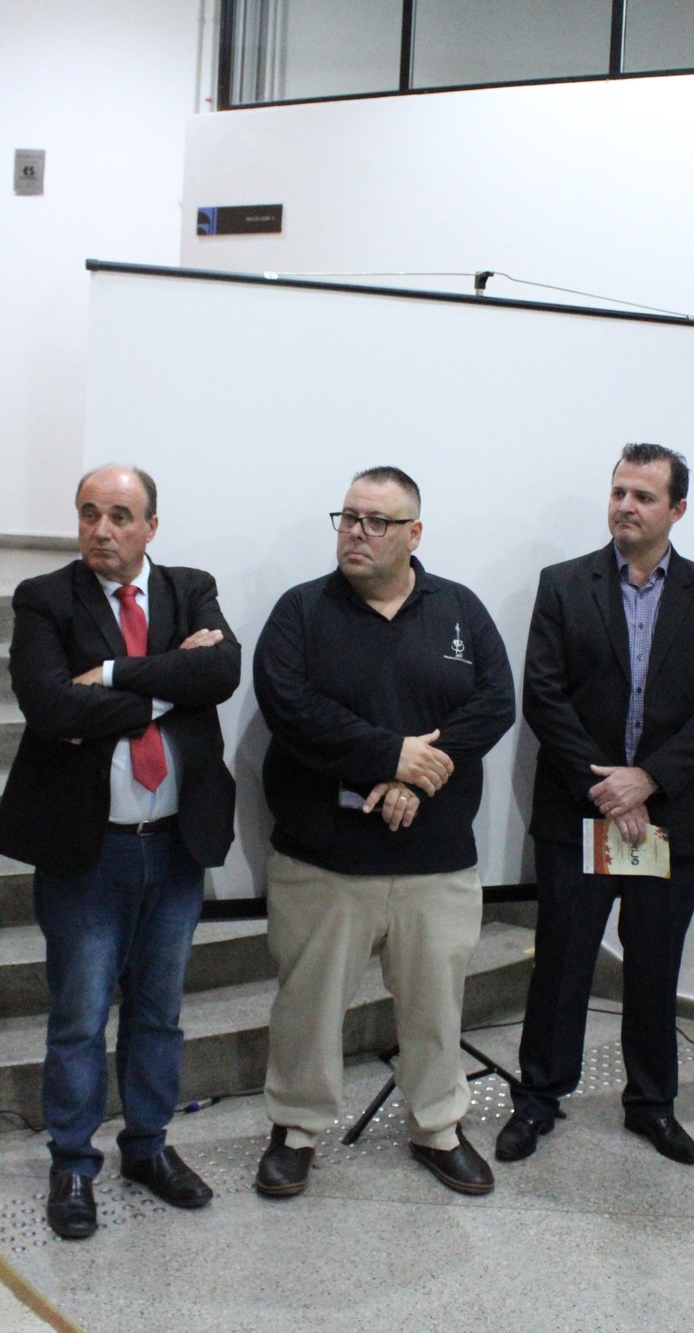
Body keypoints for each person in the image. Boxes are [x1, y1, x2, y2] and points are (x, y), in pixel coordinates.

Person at [0, 465, 241, 1241]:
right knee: (79, 1015)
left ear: (151, 526)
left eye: (121, 515)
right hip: (88, 850)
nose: (102, 529)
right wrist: (170, 686)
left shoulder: (190, 588)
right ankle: (73, 1161)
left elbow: (221, 671)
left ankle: (148, 1146)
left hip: (174, 845)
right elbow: (48, 704)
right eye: (90, 512)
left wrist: (107, 679)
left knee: (160, 1012)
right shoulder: (45, 598)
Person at [250, 466, 516, 1198]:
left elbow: (495, 703)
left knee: (435, 1006)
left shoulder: (458, 609)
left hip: (435, 856)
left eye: (376, 521)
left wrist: (412, 776)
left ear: (414, 534)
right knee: (307, 1007)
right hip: (325, 858)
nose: (356, 533)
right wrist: (388, 755)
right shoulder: (301, 610)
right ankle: (296, 1130)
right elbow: (290, 706)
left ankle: (438, 1128)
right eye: (348, 518)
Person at [499, 443, 694, 1165]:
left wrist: (648, 780)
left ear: (678, 509)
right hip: (579, 810)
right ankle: (538, 1098)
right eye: (618, 492)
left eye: (643, 496)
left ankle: (652, 1105)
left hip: (668, 816)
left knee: (655, 966)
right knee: (562, 962)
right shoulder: (563, 585)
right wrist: (607, 787)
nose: (626, 507)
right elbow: (543, 694)